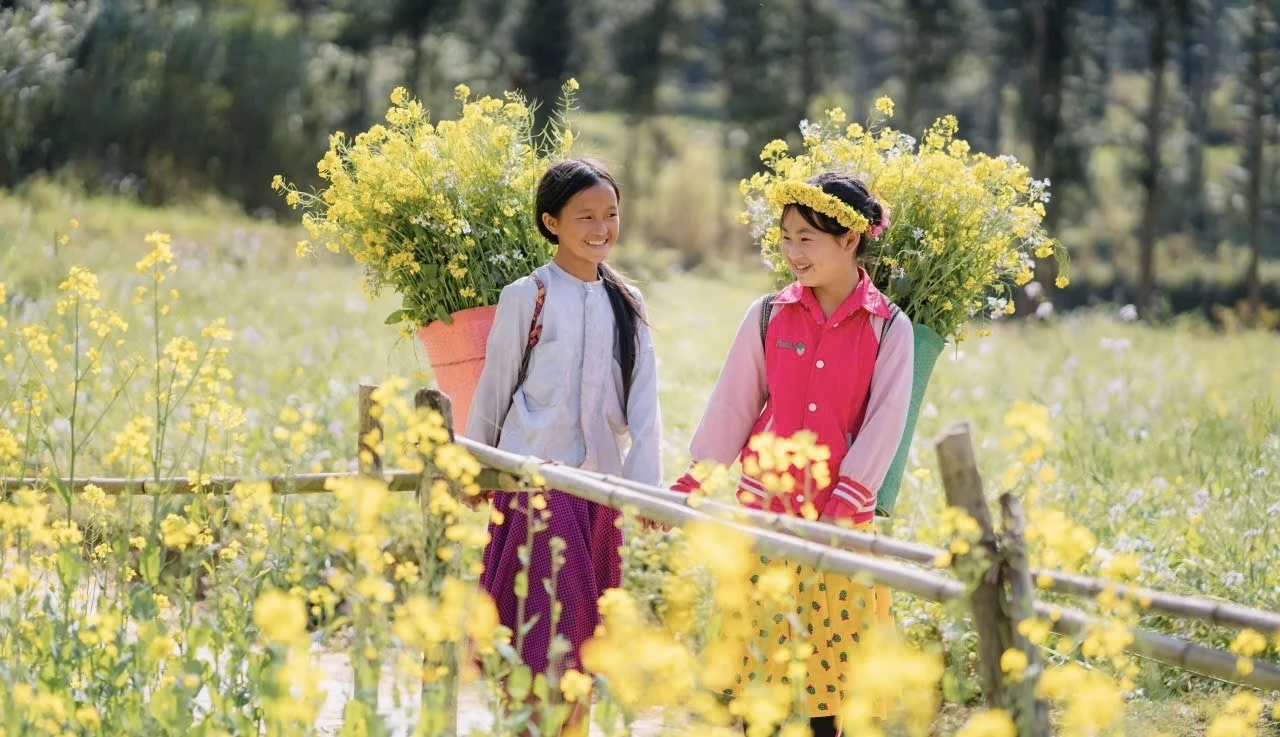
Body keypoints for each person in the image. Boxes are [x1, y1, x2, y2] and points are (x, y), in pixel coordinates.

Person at [671, 172, 912, 737]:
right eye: (786, 238)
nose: (793, 252)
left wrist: (846, 504)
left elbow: (886, 423)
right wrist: (698, 478)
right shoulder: (768, 314)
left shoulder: (889, 327)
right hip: (766, 515)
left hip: (840, 522)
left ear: (850, 240)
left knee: (835, 679)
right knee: (761, 677)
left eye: (807, 238)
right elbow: (734, 402)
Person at [465, 158, 662, 734]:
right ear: (551, 222)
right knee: (534, 633)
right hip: (533, 487)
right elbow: (495, 390)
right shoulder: (526, 296)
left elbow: (646, 402)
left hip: (598, 489)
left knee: (582, 646)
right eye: (585, 217)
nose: (602, 228)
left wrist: (646, 492)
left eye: (611, 214)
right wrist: (477, 472)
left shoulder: (628, 301)